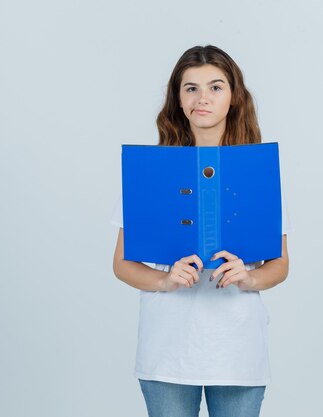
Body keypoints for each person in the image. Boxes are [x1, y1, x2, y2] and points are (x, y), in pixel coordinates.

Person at [110, 45, 292, 417]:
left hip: (237, 348)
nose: (202, 98)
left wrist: (249, 277)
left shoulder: (258, 172)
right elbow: (122, 264)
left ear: (234, 97)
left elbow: (280, 265)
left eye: (215, 87)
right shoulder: (150, 172)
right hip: (168, 350)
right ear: (177, 99)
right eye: (190, 88)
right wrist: (165, 281)